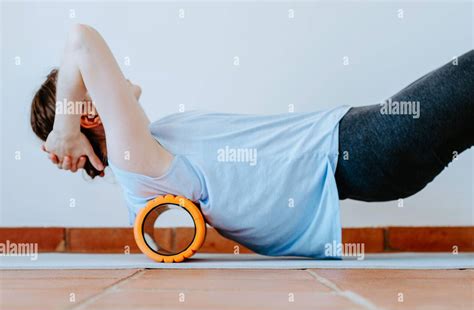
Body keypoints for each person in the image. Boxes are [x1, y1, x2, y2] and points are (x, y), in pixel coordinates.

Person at [30, 24, 473, 258]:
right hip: (365, 148)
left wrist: (70, 125)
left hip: (362, 142)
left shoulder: (148, 146)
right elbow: (81, 40)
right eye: (89, 87)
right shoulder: (134, 163)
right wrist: (65, 128)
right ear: (88, 111)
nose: (120, 77)